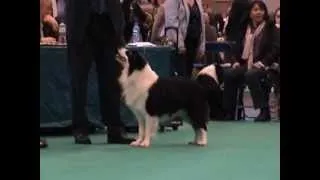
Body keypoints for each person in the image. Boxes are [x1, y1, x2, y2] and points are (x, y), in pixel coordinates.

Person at [66, 0, 134, 144]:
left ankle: (115, 129)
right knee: (79, 81)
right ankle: (80, 128)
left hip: (109, 22)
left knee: (112, 80)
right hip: (81, 22)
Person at [222, 0, 279, 121]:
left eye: (261, 9)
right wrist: (235, 61)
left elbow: (275, 50)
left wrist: (263, 62)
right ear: (250, 13)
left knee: (251, 74)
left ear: (265, 12)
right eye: (255, 10)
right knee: (228, 74)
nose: (259, 12)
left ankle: (264, 111)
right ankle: (229, 112)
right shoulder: (243, 28)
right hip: (246, 63)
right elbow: (236, 48)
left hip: (265, 66)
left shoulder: (271, 28)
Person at [151, 0, 206, 78]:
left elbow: (202, 23)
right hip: (179, 46)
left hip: (193, 44)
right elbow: (172, 24)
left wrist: (201, 45)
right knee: (181, 78)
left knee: (188, 76)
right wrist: (180, 45)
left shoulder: (198, 1)